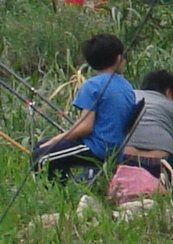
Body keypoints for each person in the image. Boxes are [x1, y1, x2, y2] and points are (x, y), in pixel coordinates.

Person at [30, 32, 138, 181]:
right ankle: (71, 188)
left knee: (41, 156)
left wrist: (54, 140)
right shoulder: (126, 85)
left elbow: (84, 128)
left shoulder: (92, 85)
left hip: (98, 148)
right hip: (115, 147)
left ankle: (60, 198)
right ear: (119, 58)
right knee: (42, 146)